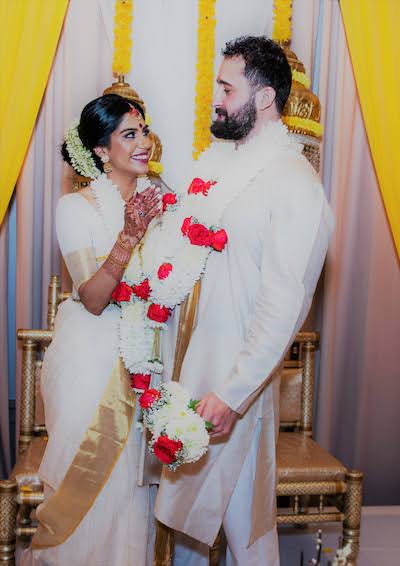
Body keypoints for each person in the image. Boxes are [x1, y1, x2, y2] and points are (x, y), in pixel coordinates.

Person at [155, 36, 334, 565]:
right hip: (194, 370)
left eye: (226, 87)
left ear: (262, 98)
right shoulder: (218, 168)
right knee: (187, 516)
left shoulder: (294, 184)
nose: (216, 98)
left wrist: (233, 394)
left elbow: (286, 301)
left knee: (244, 527)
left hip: (237, 388)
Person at [21, 93, 163, 565]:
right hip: (91, 365)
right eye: (129, 134)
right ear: (101, 150)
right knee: (94, 491)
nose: (143, 142)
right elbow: (95, 298)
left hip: (150, 363)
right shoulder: (75, 208)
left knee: (134, 495)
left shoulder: (165, 202)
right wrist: (128, 237)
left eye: (143, 130)